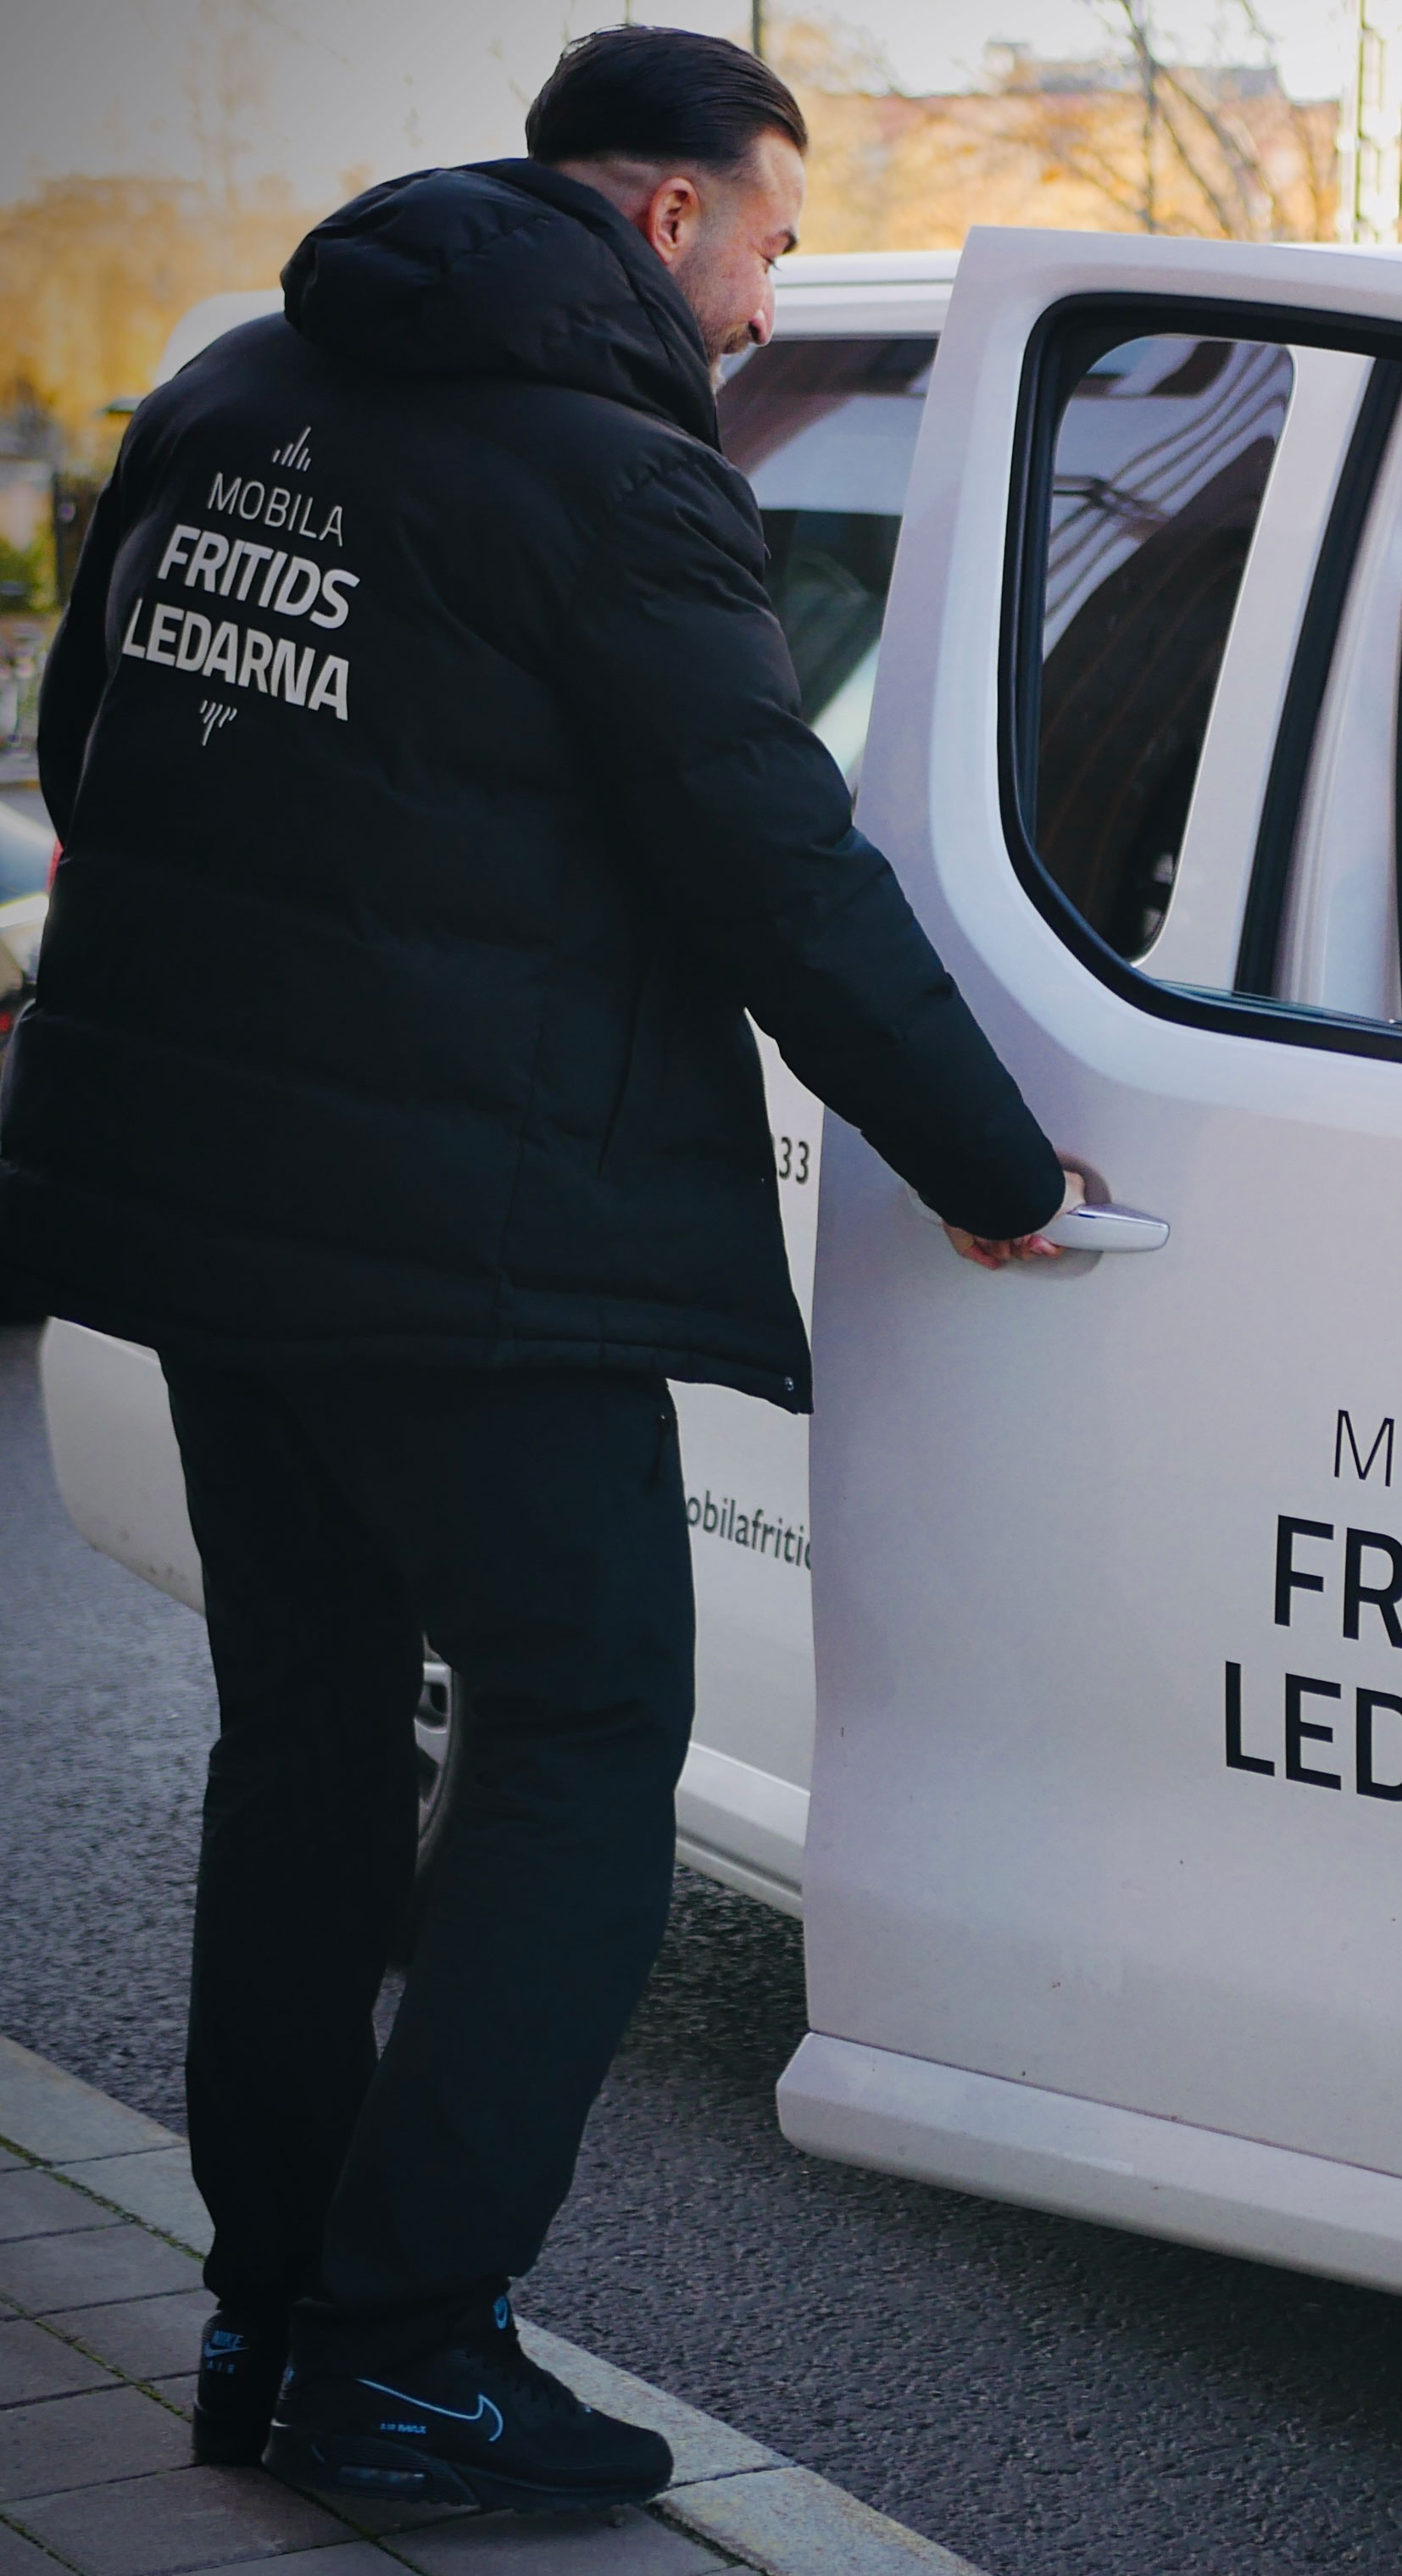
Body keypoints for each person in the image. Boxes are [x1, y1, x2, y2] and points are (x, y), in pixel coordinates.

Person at [1, 27, 1077, 2512]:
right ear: (672, 212)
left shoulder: (230, 388)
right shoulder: (615, 478)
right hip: (474, 1251)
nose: (763, 305)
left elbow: (95, 754)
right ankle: (404, 2360)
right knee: (584, 1737)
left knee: (302, 1757)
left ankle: (270, 2324)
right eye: (775, 244)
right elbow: (769, 863)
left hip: (203, 1214)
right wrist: (991, 1161)